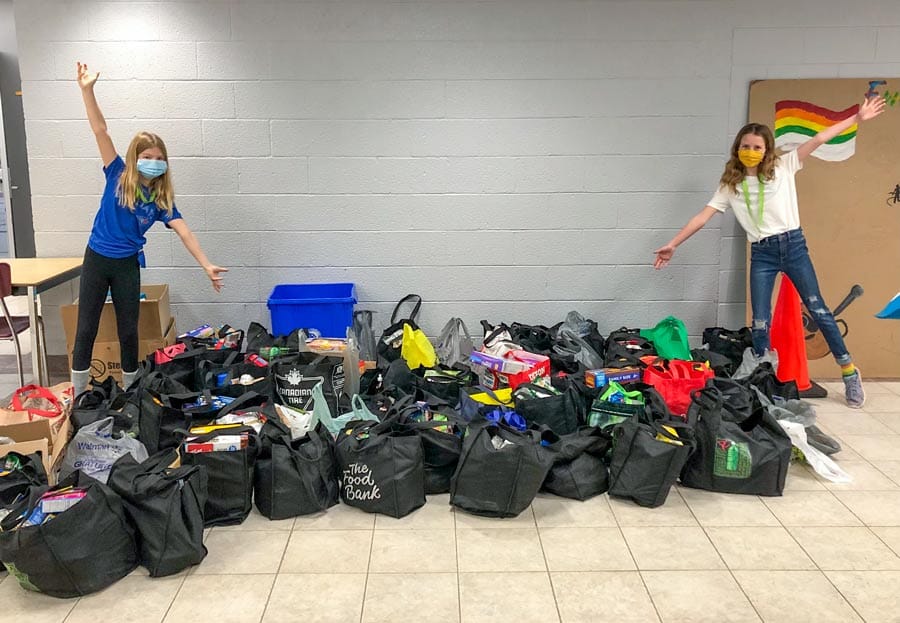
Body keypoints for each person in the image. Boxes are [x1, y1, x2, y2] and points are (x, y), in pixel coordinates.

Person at [653, 95, 886, 408]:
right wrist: (674, 244)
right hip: (762, 253)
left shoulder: (784, 166)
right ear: (737, 148)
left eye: (757, 147)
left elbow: (819, 138)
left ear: (767, 150)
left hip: (793, 246)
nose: (751, 151)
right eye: (745, 146)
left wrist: (857, 118)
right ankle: (764, 375)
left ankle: (848, 371)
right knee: (761, 320)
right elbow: (703, 216)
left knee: (818, 310)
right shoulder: (731, 184)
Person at [72, 62, 227, 394]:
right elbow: (100, 131)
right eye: (147, 156)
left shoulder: (159, 198)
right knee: (86, 329)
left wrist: (206, 264)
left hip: (127, 265)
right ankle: (78, 394)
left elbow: (184, 231)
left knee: (129, 332)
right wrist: (87, 90)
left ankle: (131, 393)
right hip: (98, 259)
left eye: (159, 158)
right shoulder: (117, 172)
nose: (154, 162)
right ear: (135, 157)